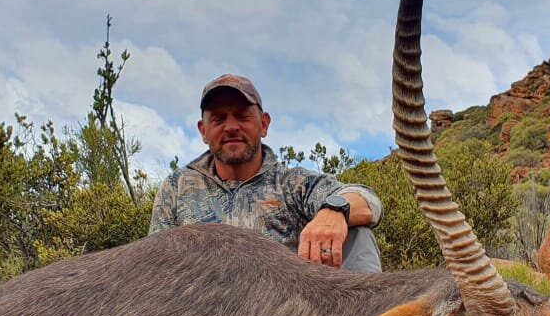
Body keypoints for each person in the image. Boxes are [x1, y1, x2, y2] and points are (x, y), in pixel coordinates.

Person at [150, 74, 384, 271]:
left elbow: (368, 201)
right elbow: (153, 264)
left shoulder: (293, 183)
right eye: (218, 119)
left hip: (285, 315)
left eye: (242, 116)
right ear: (203, 131)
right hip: (201, 314)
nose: (231, 127)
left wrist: (335, 210)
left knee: (357, 232)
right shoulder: (177, 187)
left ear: (264, 124)